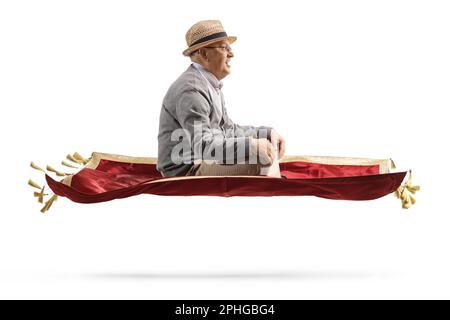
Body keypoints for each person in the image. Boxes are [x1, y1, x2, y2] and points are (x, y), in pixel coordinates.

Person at [157, 20, 285, 177]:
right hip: (187, 169)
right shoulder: (192, 90)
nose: (231, 54)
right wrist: (251, 146)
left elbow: (228, 129)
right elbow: (203, 147)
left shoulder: (208, 83)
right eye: (225, 48)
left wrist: (265, 133)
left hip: (202, 160)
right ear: (204, 53)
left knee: (263, 156)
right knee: (261, 163)